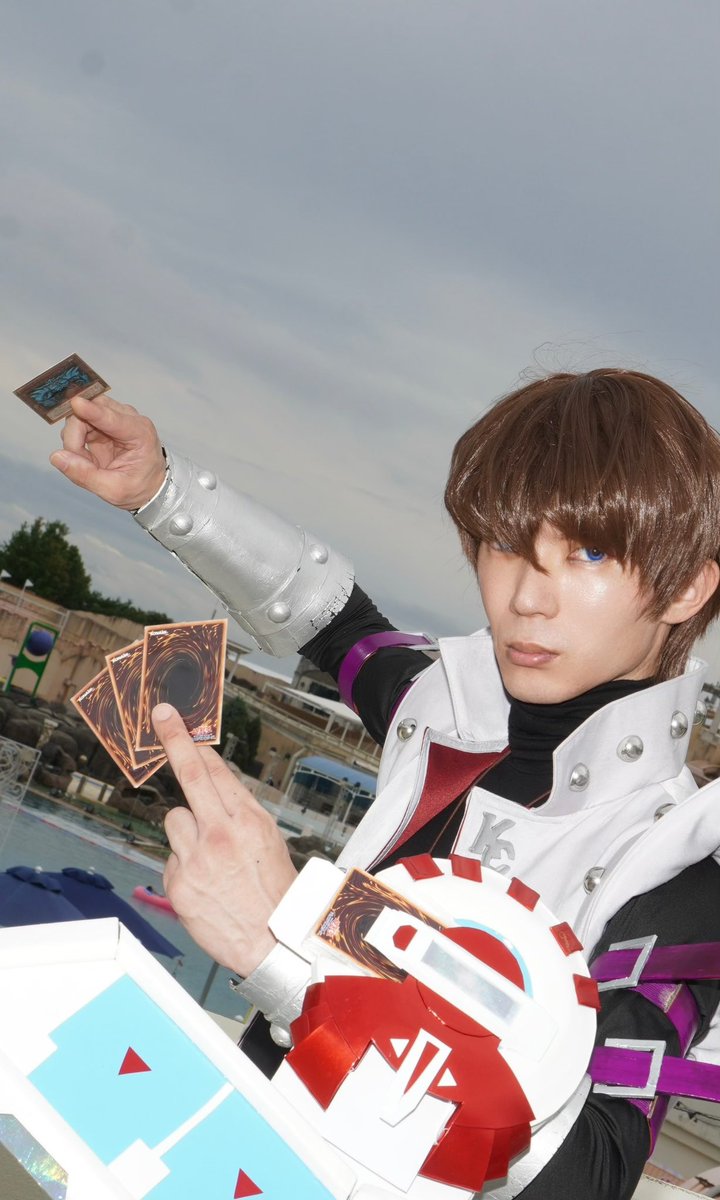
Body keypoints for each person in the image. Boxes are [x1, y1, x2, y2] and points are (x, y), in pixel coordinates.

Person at [50, 370, 720, 1198]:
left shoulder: (679, 866)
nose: (526, 598)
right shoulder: (440, 711)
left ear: (686, 586)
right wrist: (159, 486)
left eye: (589, 553)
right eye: (506, 543)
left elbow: (590, 1176)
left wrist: (285, 947)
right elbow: (328, 615)